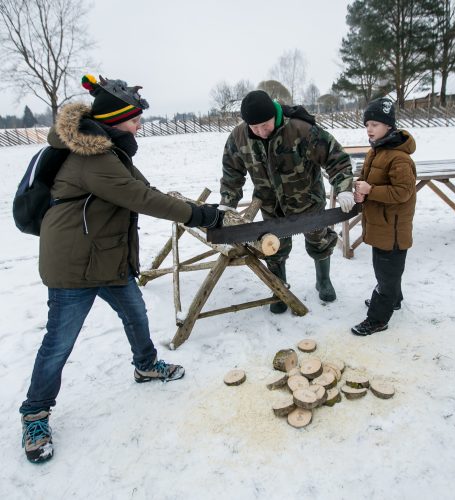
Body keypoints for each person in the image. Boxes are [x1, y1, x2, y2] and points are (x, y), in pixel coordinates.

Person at [19, 74, 224, 463]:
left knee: (135, 312)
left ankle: (145, 367)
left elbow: (144, 188)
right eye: (134, 119)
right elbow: (140, 197)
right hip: (74, 265)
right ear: (115, 120)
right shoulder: (92, 157)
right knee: (60, 341)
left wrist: (191, 208)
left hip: (107, 256)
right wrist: (199, 215)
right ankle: (35, 412)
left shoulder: (109, 151)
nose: (139, 126)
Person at [219, 90, 354, 313]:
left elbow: (336, 158)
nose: (261, 132)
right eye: (255, 128)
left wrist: (343, 188)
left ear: (275, 115)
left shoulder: (301, 129)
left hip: (308, 201)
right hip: (271, 205)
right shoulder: (239, 137)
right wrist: (227, 203)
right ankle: (279, 289)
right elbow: (232, 172)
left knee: (319, 242)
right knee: (273, 248)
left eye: (265, 125)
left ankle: (323, 281)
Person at [351, 97, 416, 336]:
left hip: (393, 231)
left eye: (375, 124)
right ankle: (394, 300)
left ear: (389, 126)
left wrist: (371, 191)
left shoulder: (399, 158)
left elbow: (403, 192)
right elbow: (370, 181)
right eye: (367, 123)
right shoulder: (376, 151)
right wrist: (361, 191)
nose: (369, 128)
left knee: (386, 276)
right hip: (381, 226)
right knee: (387, 272)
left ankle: (378, 319)